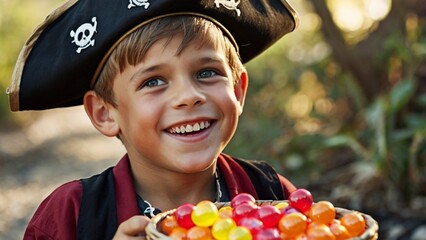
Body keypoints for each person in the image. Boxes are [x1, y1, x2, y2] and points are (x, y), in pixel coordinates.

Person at [8, 0, 299, 239]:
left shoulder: (273, 194)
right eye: (154, 81)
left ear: (237, 91)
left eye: (207, 72)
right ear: (105, 113)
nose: (188, 96)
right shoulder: (70, 215)